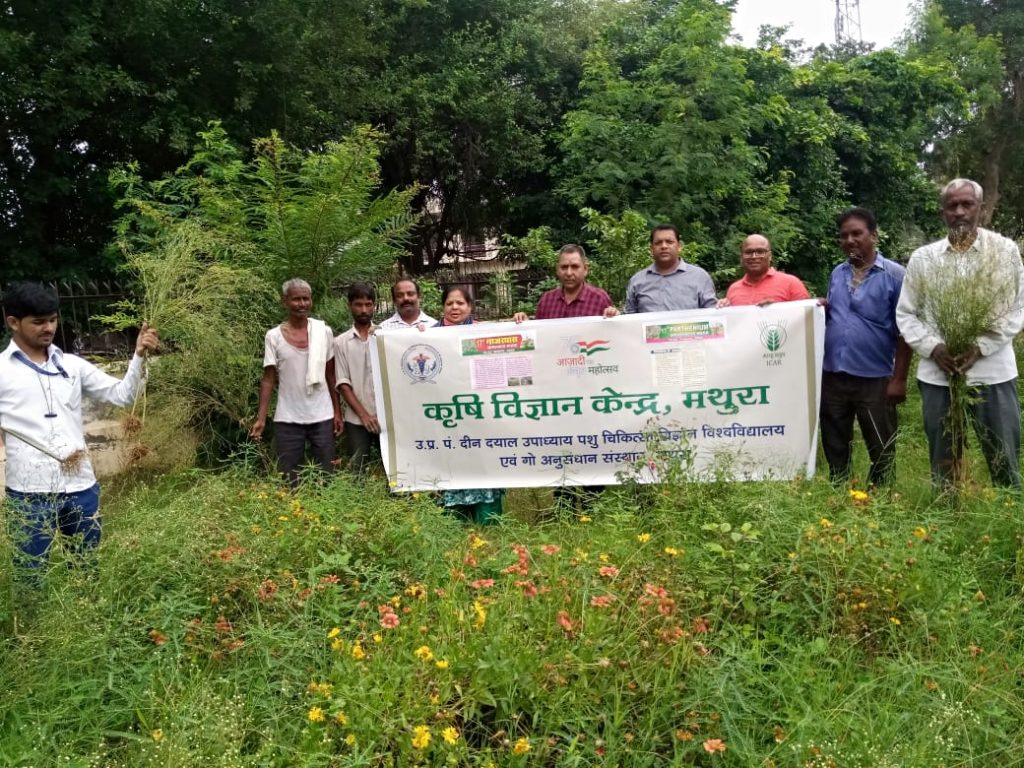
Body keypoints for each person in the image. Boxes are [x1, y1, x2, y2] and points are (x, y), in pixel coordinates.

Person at [0, 281, 159, 569]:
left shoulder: (72, 366)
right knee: (29, 575)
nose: (48, 327)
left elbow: (124, 396)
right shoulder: (2, 370)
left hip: (81, 487)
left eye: (52, 319)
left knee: (87, 570)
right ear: (13, 322)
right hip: (28, 494)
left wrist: (139, 355)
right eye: (38, 322)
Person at [896, 179, 1024, 488]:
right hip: (938, 373)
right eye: (952, 205)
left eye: (967, 204)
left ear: (980, 208)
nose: (960, 211)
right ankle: (947, 514)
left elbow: (1017, 308)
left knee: (1004, 455)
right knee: (943, 460)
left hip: (992, 372)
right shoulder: (924, 258)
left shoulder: (1004, 251)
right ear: (943, 212)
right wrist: (932, 347)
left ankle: (1009, 515)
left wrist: (980, 346)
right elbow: (906, 313)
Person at [820, 207, 912, 486]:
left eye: (857, 233)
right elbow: (836, 315)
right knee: (835, 439)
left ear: (873, 235)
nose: (850, 240)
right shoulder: (838, 273)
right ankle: (839, 491)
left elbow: (905, 330)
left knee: (881, 443)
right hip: (834, 373)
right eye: (844, 235)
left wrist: (899, 379)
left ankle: (880, 497)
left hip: (875, 377)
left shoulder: (896, 275)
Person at [250, 278, 342, 486]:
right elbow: (268, 379)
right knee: (289, 477)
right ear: (285, 302)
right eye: (296, 299)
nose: (302, 304)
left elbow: (330, 375)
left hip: (322, 415)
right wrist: (261, 418)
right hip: (288, 417)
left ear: (311, 301)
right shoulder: (273, 337)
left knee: (326, 475)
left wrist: (337, 412)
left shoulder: (323, 332)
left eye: (305, 299)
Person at [434, 286, 504, 523]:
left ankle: (489, 525)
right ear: (443, 306)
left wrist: (520, 323)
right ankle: (454, 527)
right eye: (450, 303)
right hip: (447, 420)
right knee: (450, 469)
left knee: (483, 467)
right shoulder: (428, 335)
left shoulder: (482, 333)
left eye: (460, 303)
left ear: (470, 307)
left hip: (479, 419)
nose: (454, 307)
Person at [334, 282, 381, 472]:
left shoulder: (385, 336)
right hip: (356, 419)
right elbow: (343, 383)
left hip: (386, 417)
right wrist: (365, 416)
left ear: (374, 306)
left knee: (395, 471)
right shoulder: (340, 342)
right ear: (349, 306)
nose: (364, 309)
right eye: (358, 305)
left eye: (368, 304)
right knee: (357, 470)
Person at [512, 244, 618, 322]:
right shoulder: (547, 300)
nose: (569, 273)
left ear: (585, 269)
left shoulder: (599, 298)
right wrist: (524, 324)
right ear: (557, 270)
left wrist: (614, 316)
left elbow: (611, 335)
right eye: (564, 267)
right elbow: (539, 335)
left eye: (575, 267)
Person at [624, 224, 716, 313]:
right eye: (658, 243)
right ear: (651, 249)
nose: (664, 246)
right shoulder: (637, 281)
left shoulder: (699, 277)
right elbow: (629, 318)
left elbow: (713, 313)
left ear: (679, 246)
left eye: (669, 242)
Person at [720, 234, 809, 306]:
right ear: (741, 258)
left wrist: (778, 310)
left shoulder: (791, 284)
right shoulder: (733, 289)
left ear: (769, 256)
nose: (754, 257)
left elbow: (806, 318)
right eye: (748, 252)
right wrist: (723, 310)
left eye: (760, 252)